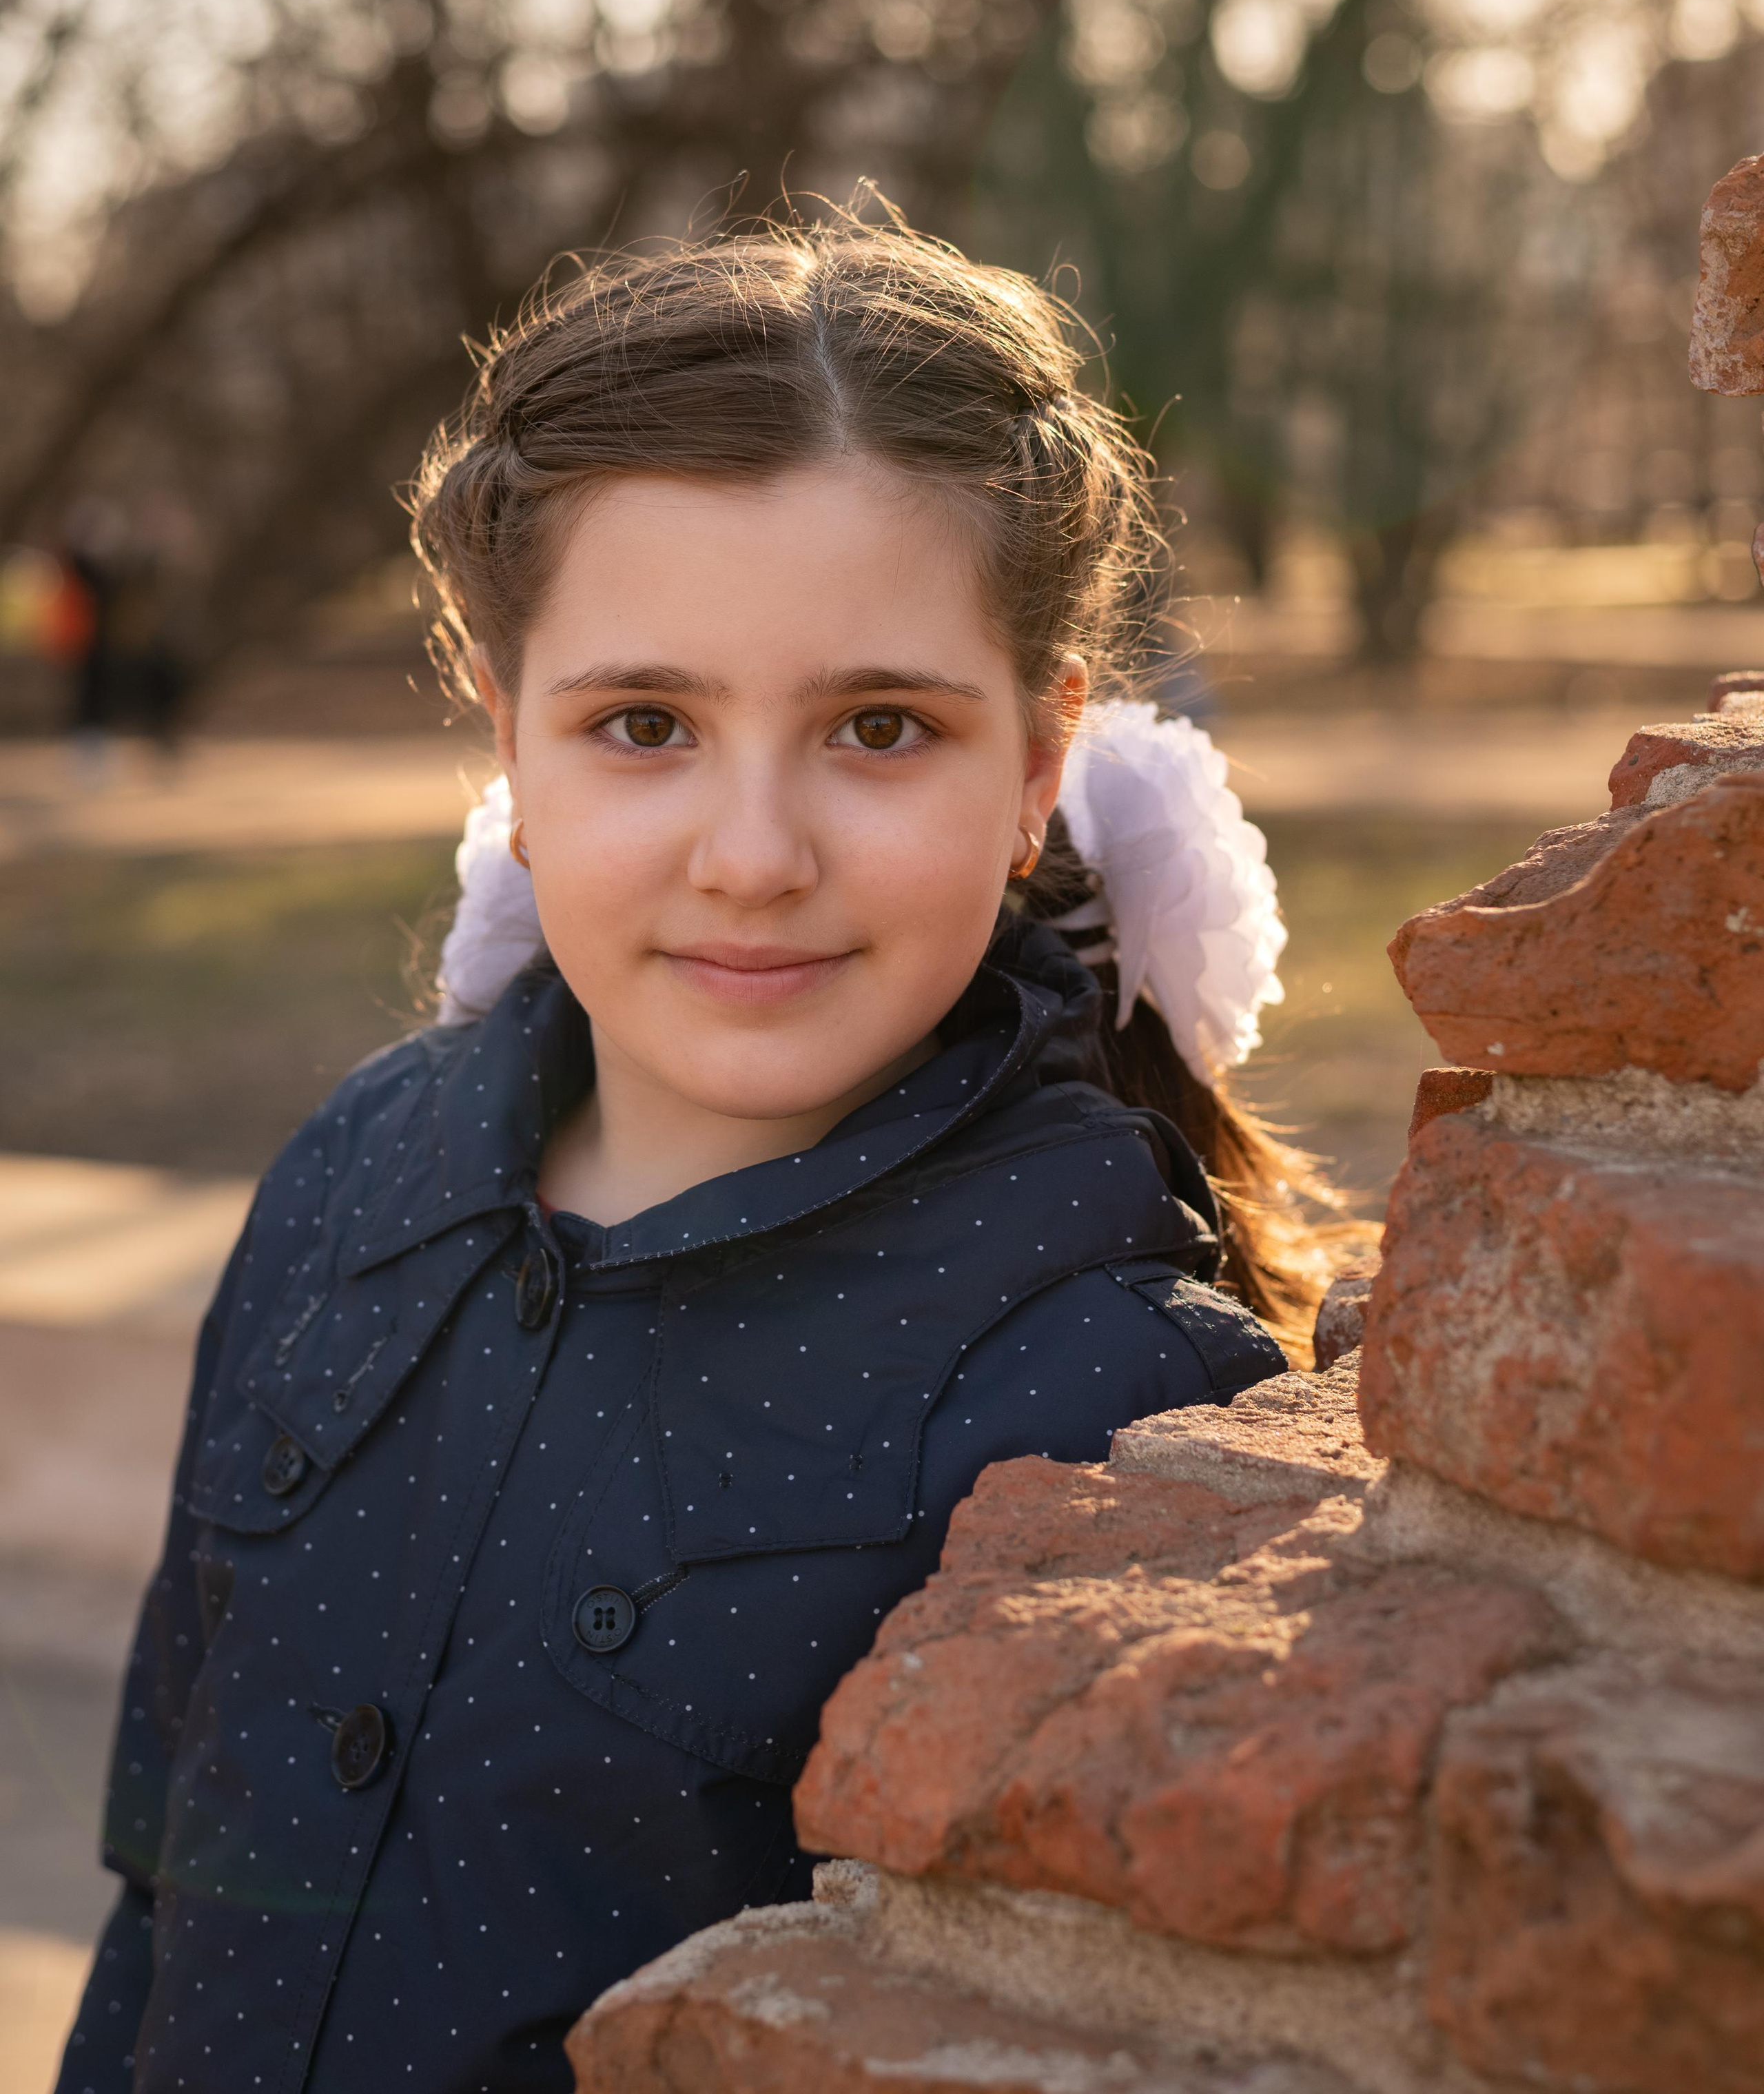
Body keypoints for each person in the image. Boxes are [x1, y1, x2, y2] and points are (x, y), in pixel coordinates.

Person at [57, 215, 1325, 2094]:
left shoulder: (1118, 1392)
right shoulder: (343, 1181)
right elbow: (164, 1886)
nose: (753, 850)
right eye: (643, 724)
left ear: (1043, 758)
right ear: (509, 730)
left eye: (878, 728)